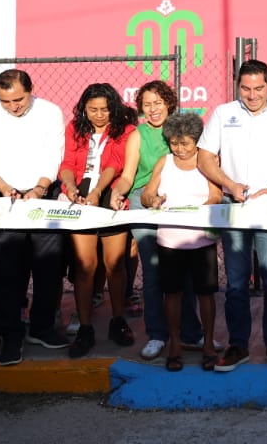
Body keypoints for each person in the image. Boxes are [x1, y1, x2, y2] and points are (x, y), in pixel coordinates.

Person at [199, 59, 267, 372]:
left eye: (259, 88)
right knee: (235, 283)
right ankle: (238, 345)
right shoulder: (223, 113)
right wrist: (230, 184)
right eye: (246, 88)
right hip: (235, 206)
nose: (252, 94)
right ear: (238, 86)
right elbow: (205, 157)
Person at [0, 69, 70, 365]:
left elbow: (54, 154)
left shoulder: (50, 112)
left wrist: (39, 188)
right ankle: (10, 336)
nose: (13, 106)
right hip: (5, 200)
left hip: (42, 197)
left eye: (19, 99)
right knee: (6, 273)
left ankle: (42, 328)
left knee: (49, 268)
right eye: (6, 101)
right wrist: (1, 185)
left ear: (31, 89)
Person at [116, 81, 207, 361]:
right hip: (144, 202)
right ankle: (157, 334)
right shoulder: (138, 135)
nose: (153, 109)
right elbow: (128, 175)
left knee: (186, 271)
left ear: (168, 103)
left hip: (179, 201)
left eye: (157, 102)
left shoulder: (183, 129)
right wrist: (119, 192)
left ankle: (190, 332)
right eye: (147, 104)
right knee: (154, 271)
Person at [57, 83, 138, 357]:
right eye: (93, 110)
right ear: (84, 109)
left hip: (109, 193)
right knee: (85, 266)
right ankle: (85, 328)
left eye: (105, 109)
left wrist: (97, 193)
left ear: (114, 108)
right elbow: (67, 163)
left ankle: (118, 321)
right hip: (80, 194)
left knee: (115, 264)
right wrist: (70, 188)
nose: (99, 115)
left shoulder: (126, 130)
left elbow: (116, 164)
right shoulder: (74, 128)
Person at [141, 111, 224, 372]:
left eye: (186, 143)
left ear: (197, 141)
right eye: (174, 143)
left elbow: (216, 195)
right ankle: (175, 345)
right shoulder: (164, 162)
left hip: (201, 240)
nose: (180, 149)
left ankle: (208, 345)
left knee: (206, 294)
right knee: (172, 294)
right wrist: (153, 200)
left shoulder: (208, 161)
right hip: (170, 241)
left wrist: (201, 209)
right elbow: (146, 194)